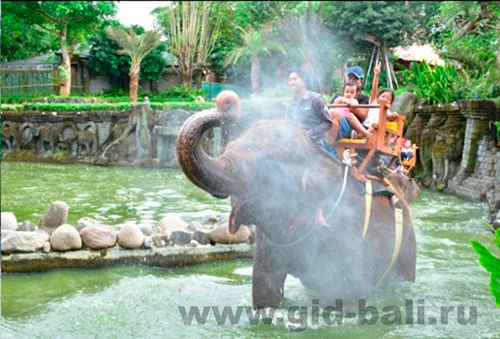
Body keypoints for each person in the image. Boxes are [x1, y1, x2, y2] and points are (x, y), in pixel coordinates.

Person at [287, 68, 333, 227]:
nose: (291, 82)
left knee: (309, 174)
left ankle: (318, 212)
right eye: (290, 79)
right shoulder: (291, 103)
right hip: (294, 147)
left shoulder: (316, 100)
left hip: (314, 145)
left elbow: (328, 122)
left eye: (294, 79)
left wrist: (309, 135)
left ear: (304, 81)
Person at [327, 65, 370, 143]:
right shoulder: (339, 96)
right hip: (332, 121)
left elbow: (362, 114)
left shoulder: (363, 98)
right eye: (350, 78)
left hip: (350, 127)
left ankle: (328, 147)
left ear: (361, 82)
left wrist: (348, 105)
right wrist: (336, 103)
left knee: (334, 114)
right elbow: (328, 108)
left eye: (355, 78)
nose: (352, 80)